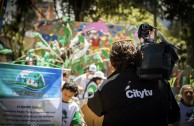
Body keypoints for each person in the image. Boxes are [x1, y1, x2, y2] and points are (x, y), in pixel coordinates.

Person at [87, 39, 177, 126]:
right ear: (138, 57)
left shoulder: (108, 86)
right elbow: (173, 116)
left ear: (112, 61)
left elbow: (93, 107)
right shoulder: (160, 81)